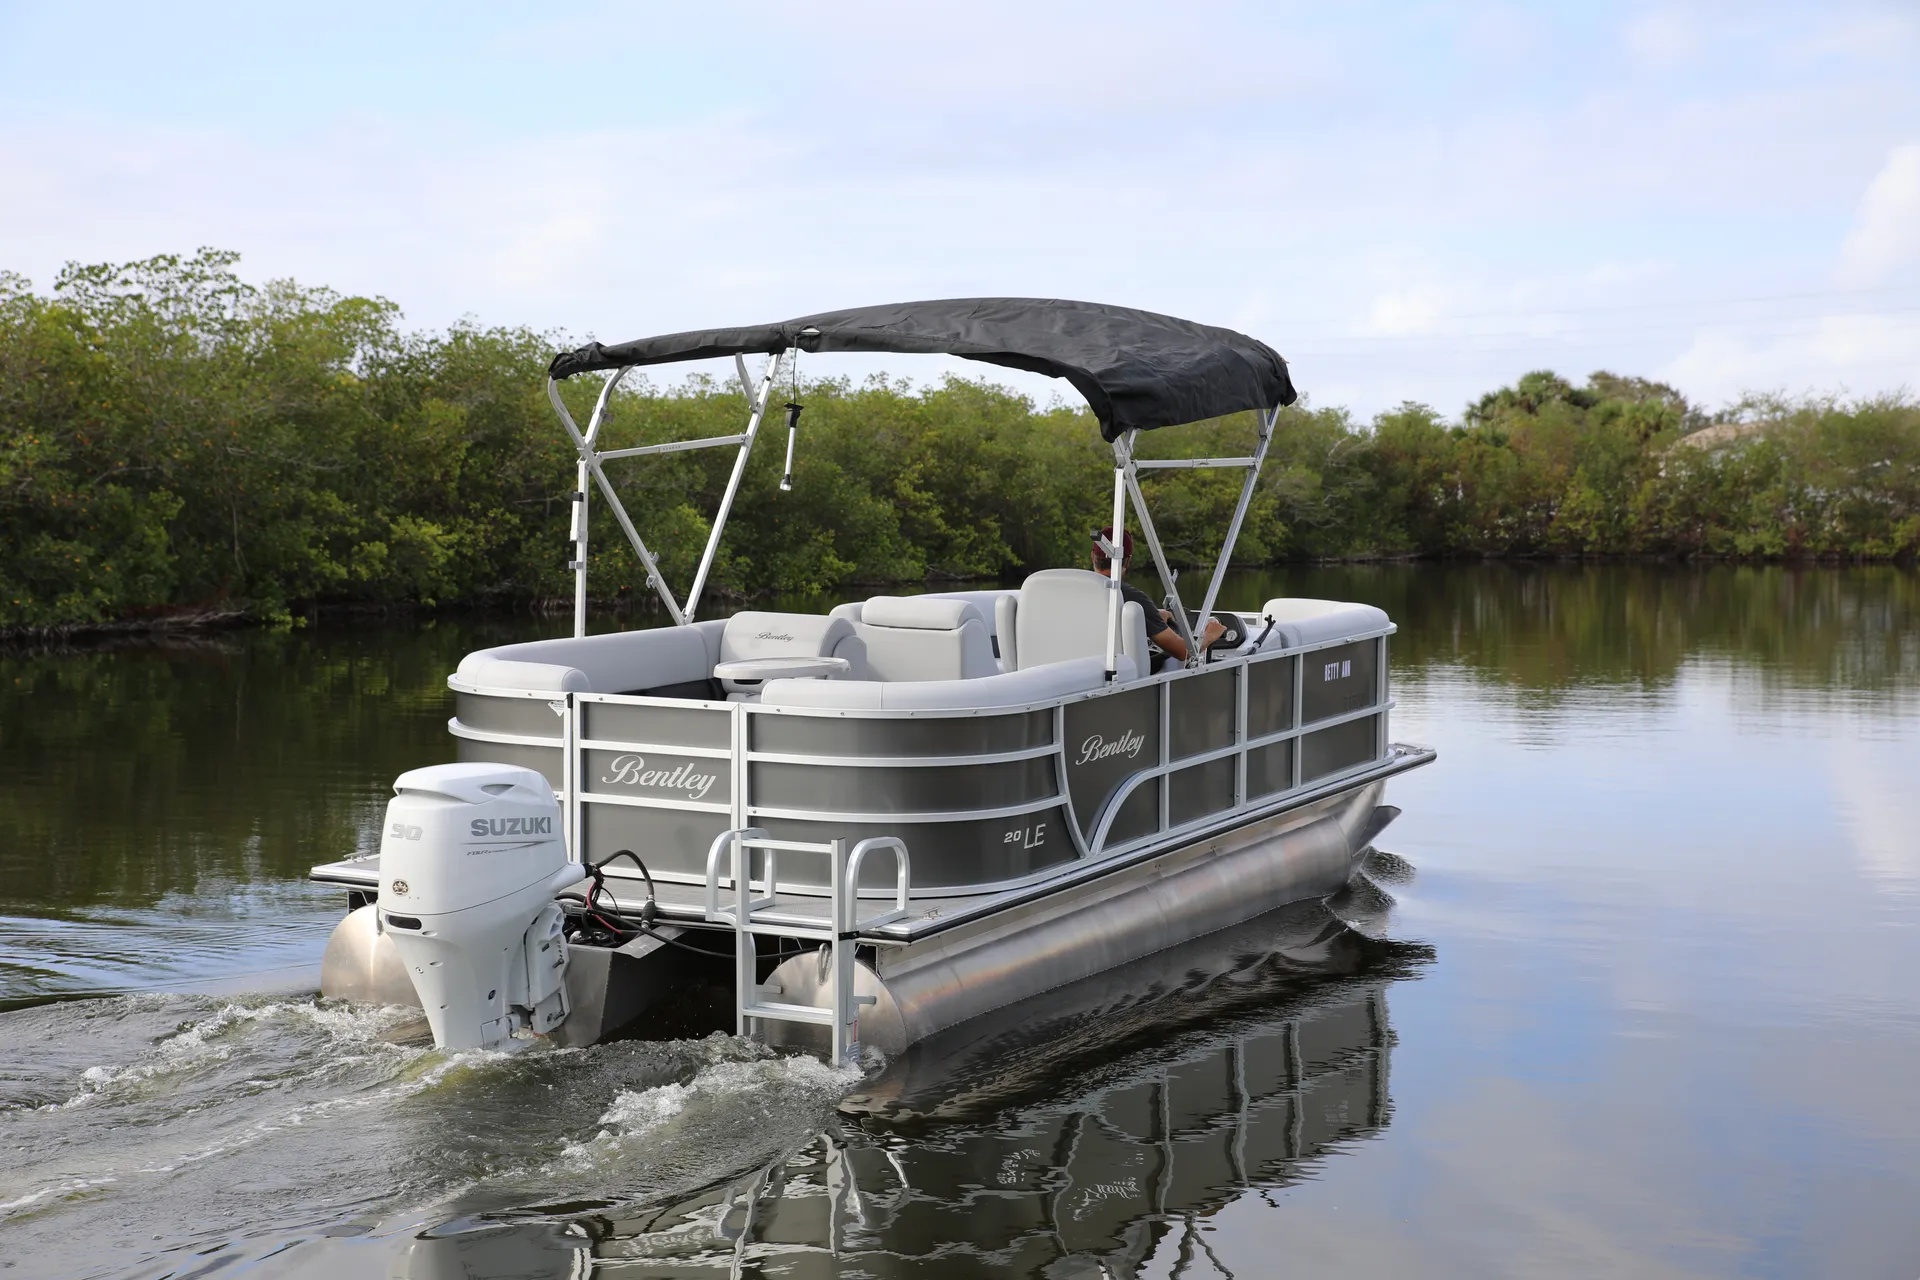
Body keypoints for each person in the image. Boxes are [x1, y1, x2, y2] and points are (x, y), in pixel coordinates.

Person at [1091, 527, 1226, 665]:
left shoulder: (1078, 591)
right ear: (1128, 561)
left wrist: (1150, 617)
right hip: (1122, 675)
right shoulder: (1133, 598)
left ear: (1092, 556)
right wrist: (1210, 635)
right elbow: (1184, 652)